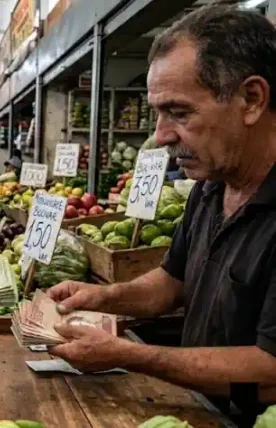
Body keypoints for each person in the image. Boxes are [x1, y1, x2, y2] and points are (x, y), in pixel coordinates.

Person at [44, 7, 276, 424]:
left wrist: (131, 355)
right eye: (157, 113)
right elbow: (173, 282)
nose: (161, 134)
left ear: (252, 100)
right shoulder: (210, 188)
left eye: (180, 112)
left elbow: (269, 371)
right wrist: (104, 297)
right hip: (196, 411)